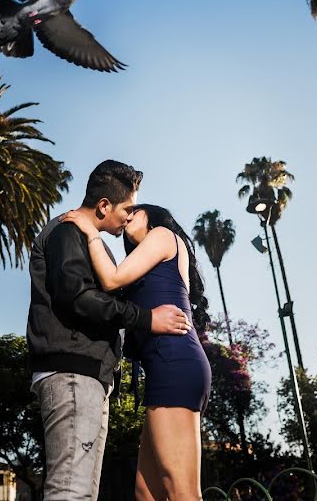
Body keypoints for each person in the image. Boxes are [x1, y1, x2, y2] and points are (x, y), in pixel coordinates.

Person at [28, 160, 192, 501]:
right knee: (70, 491)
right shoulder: (67, 231)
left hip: (88, 375)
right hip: (73, 371)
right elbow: (78, 298)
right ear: (104, 206)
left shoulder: (91, 242)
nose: (129, 216)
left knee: (82, 492)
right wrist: (147, 319)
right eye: (127, 208)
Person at [62, 203, 212, 501]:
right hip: (166, 367)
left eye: (137, 210)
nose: (128, 215)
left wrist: (90, 230)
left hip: (175, 362)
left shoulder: (163, 234)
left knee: (182, 491)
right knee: (146, 493)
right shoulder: (146, 267)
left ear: (154, 217)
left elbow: (112, 279)